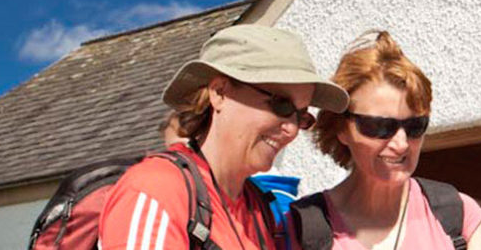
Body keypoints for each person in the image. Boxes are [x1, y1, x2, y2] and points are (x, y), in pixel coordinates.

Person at [97, 24, 350, 250]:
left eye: (301, 116)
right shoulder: (158, 188)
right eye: (281, 105)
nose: (292, 129)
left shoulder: (259, 209)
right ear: (219, 93)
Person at [291, 31, 481, 250]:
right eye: (380, 126)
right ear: (341, 128)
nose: (401, 143)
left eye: (415, 127)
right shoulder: (302, 227)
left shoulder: (459, 215)